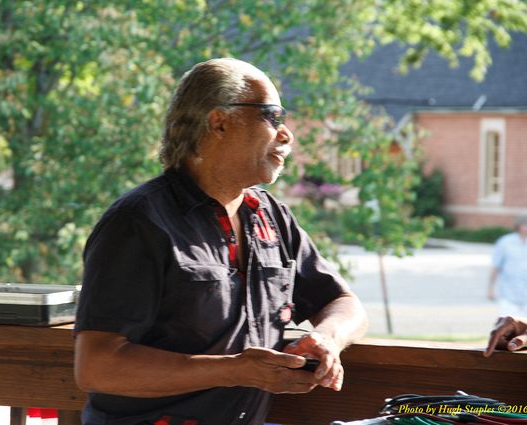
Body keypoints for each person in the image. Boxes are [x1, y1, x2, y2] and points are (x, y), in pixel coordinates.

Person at [73, 58, 367, 425]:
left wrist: (327, 339)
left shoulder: (270, 216)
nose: (287, 135)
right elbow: (98, 367)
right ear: (219, 122)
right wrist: (234, 370)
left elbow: (343, 302)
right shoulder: (138, 223)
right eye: (272, 116)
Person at [487, 215, 527, 317]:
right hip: (509, 295)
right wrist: (490, 289)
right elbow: (496, 266)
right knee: (507, 329)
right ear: (520, 226)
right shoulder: (505, 243)